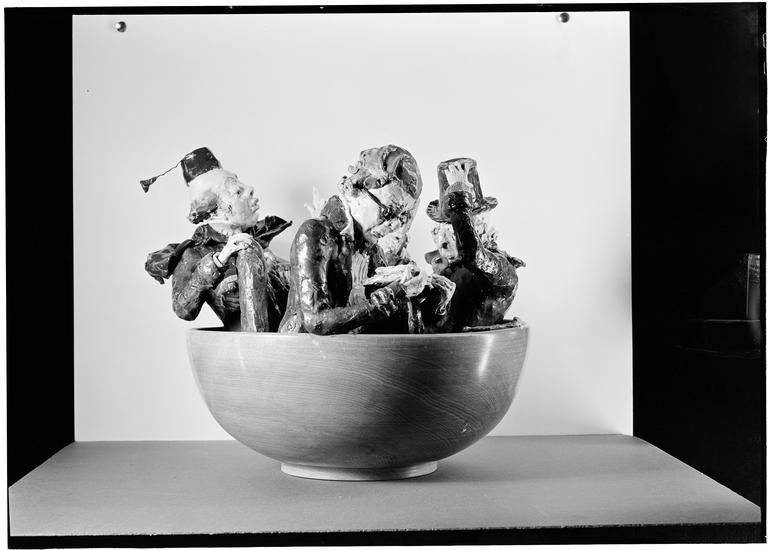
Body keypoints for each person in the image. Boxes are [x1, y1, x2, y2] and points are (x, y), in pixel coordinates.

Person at [279, 144, 452, 335]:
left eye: (401, 217)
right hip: (301, 345)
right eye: (388, 212)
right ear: (358, 191)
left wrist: (425, 292)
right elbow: (315, 321)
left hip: (346, 346)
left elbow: (382, 303)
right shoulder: (315, 233)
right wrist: (394, 291)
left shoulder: (372, 250)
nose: (393, 225)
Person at [143, 147, 292, 331]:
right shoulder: (195, 253)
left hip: (288, 336)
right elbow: (183, 309)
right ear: (217, 209)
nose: (250, 191)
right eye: (237, 192)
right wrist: (218, 262)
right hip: (247, 343)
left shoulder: (255, 240)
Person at [424, 158, 525, 332]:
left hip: (469, 347)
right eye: (436, 231)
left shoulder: (500, 269)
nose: (442, 241)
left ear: (479, 229)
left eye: (452, 229)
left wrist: (459, 194)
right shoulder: (450, 271)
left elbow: (473, 255)